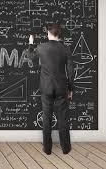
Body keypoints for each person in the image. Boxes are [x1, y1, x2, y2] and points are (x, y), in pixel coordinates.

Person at [27, 23, 74, 155]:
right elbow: (70, 71)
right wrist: (70, 88)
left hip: (46, 88)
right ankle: (66, 148)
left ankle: (47, 149)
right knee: (63, 119)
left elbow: (30, 57)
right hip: (61, 88)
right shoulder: (66, 49)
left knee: (46, 119)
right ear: (59, 34)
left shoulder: (41, 47)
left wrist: (31, 43)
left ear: (49, 34)